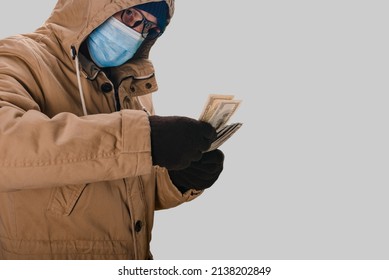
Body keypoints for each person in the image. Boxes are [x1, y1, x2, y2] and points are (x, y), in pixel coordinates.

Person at [0, 0, 225, 260]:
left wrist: (176, 180)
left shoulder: (129, 87)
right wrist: (143, 139)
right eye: (130, 15)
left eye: (148, 28)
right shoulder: (18, 56)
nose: (136, 32)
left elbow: (120, 185)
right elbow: (7, 146)